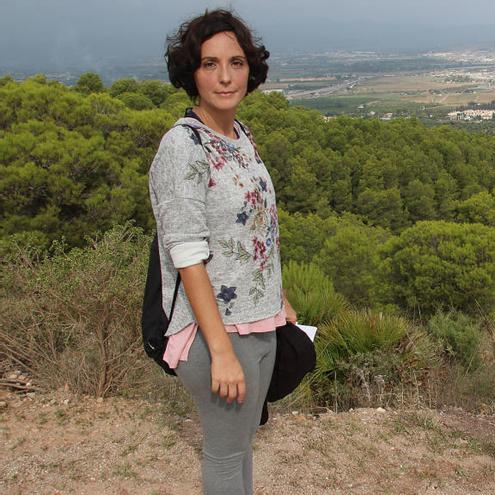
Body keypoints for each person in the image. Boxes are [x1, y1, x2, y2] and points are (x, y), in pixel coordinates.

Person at [149, 10, 297, 494]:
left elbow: (257, 231)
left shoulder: (239, 136)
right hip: (216, 332)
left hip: (259, 321)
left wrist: (279, 297)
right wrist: (219, 352)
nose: (225, 76)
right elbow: (187, 254)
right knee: (225, 456)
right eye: (209, 64)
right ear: (190, 72)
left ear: (251, 68)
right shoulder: (184, 146)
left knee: (239, 449)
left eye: (235, 62)